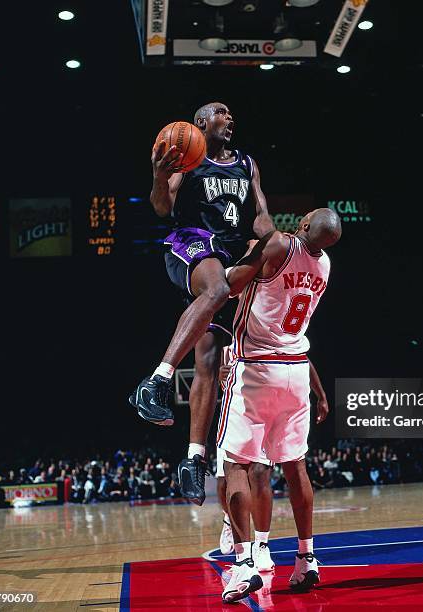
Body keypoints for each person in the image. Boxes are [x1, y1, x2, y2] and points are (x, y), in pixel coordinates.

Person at [129, 102, 274, 505]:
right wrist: (159, 175)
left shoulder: (246, 163)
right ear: (201, 123)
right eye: (223, 113)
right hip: (190, 245)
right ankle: (155, 381)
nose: (231, 118)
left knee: (209, 359)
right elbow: (162, 207)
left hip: (228, 255)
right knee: (214, 291)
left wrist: (277, 245)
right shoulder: (187, 157)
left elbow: (260, 216)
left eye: (231, 114)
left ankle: (194, 458)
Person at [218, 209, 341, 603]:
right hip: (296, 370)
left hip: (256, 367)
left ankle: (243, 563)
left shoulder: (276, 246)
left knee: (235, 464)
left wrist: (247, 255)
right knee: (296, 466)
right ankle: (306, 559)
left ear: (303, 226)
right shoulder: (324, 265)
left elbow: (230, 285)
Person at [216, 347, 328, 573]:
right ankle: (230, 519)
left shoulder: (261, 327)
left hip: (269, 393)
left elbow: (302, 356)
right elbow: (218, 379)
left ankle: (260, 546)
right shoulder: (227, 344)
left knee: (260, 473)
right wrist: (221, 375)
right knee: (224, 482)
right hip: (240, 403)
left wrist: (321, 393)